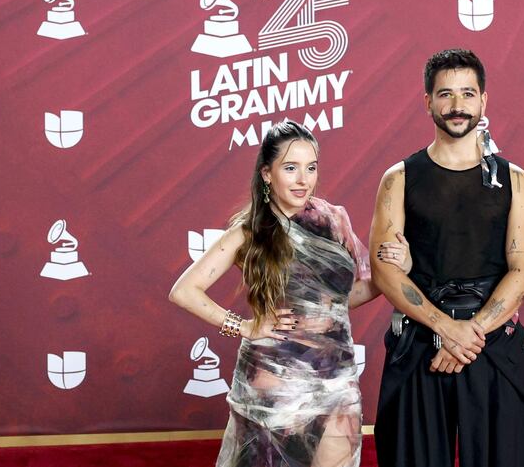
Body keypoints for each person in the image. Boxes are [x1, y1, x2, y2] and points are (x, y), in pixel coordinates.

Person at [169, 120, 411, 467]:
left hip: (335, 379)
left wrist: (399, 265)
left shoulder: (333, 220)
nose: (303, 179)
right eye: (291, 168)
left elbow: (347, 296)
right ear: (267, 174)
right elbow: (185, 291)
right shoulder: (250, 230)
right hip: (274, 386)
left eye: (311, 168)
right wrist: (244, 326)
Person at [370, 49, 524, 467]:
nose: (457, 106)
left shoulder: (515, 179)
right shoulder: (398, 179)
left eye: (467, 94)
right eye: (445, 94)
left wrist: (468, 333)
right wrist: (445, 327)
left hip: (492, 343)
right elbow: (385, 273)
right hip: (422, 344)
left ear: (484, 101)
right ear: (427, 102)